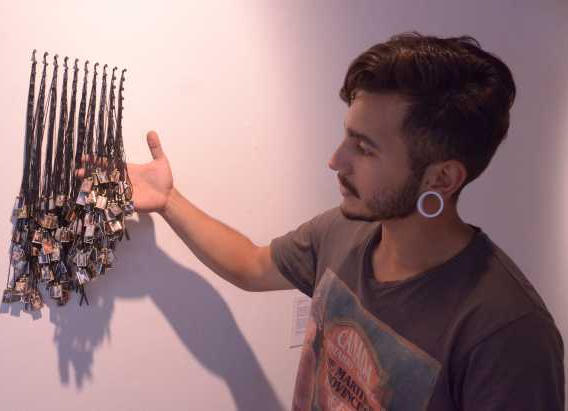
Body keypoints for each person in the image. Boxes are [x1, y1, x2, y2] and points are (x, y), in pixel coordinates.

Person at [124, 32, 565, 410]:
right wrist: (168, 200)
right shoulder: (344, 230)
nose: (336, 160)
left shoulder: (507, 333)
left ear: (442, 178)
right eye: (347, 136)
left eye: (365, 148)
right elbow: (250, 265)